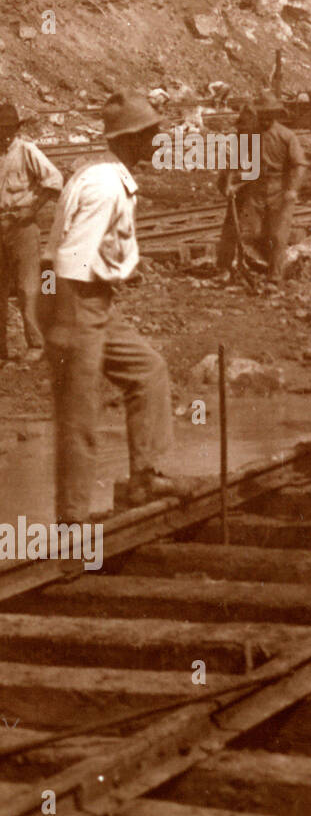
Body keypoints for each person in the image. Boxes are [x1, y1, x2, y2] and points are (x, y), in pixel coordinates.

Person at [42, 93, 191, 517]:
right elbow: (72, 255)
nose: (158, 139)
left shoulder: (104, 172)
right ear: (133, 139)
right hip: (76, 298)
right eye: (152, 134)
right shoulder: (106, 187)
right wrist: (71, 326)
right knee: (79, 411)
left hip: (93, 298)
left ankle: (145, 476)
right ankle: (73, 521)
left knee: (148, 370)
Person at [217, 91, 307, 283]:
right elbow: (236, 163)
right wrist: (230, 183)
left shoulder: (286, 136)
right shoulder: (250, 135)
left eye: (269, 115)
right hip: (255, 189)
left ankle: (275, 275)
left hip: (280, 190)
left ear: (275, 115)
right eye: (262, 115)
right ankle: (251, 266)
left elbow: (299, 165)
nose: (265, 119)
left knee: (278, 234)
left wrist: (292, 189)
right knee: (252, 230)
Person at [0, 100, 62, 363]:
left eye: (8, 129)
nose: (4, 134)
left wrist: (32, 209)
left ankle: (36, 344)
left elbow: (54, 181)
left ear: (16, 128)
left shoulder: (27, 151)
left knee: (28, 287)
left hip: (22, 226)